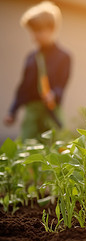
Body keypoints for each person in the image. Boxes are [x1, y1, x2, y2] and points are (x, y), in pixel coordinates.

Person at [3, 1, 71, 140]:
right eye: (32, 32)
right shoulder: (31, 58)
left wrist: (53, 95)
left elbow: (61, 85)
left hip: (51, 113)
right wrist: (12, 111)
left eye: (38, 31)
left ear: (51, 28)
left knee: (52, 152)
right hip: (32, 113)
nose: (34, 36)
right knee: (26, 150)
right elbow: (23, 87)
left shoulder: (63, 57)